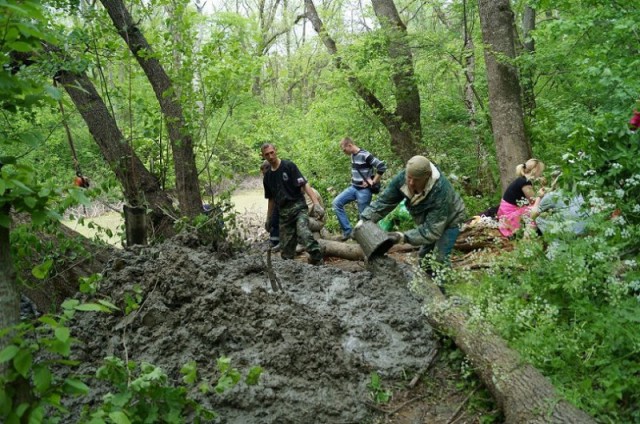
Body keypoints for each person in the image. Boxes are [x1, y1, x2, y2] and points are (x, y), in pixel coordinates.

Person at [360, 155, 466, 265]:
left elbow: (432, 231)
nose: (411, 183)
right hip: (429, 221)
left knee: (440, 258)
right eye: (409, 177)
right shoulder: (402, 178)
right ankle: (427, 281)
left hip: (452, 218)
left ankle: (444, 281)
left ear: (427, 176)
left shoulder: (441, 192)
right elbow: (384, 201)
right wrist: (364, 220)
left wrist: (402, 237)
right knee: (424, 258)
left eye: (416, 180)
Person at [261, 143, 325, 265]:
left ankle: (318, 259)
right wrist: (268, 219)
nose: (270, 156)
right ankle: (291, 270)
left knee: (304, 233)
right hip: (284, 213)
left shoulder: (288, 166)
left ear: (276, 151)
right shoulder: (268, 177)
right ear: (263, 156)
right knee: (286, 252)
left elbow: (304, 184)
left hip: (298, 207)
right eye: (267, 154)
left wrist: (316, 204)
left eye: (271, 152)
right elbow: (271, 199)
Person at [332, 137, 387, 241]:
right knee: (336, 203)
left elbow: (381, 166)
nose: (344, 152)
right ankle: (347, 232)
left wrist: (373, 181)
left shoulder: (365, 155)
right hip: (353, 188)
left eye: (344, 149)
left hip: (364, 191)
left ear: (350, 145)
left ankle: (371, 241)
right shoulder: (352, 155)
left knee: (364, 218)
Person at [497, 158, 545, 238]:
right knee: (535, 210)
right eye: (540, 171)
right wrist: (541, 193)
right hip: (509, 216)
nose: (540, 173)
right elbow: (533, 201)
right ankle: (531, 235)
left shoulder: (522, 180)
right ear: (535, 169)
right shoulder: (525, 182)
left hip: (505, 214)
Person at [261, 161, 280, 249]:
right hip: (278, 201)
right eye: (262, 170)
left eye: (264, 169)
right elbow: (271, 198)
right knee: (274, 220)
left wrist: (269, 218)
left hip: (288, 201)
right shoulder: (266, 180)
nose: (263, 172)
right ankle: (275, 241)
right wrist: (268, 218)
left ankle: (278, 242)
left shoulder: (279, 173)